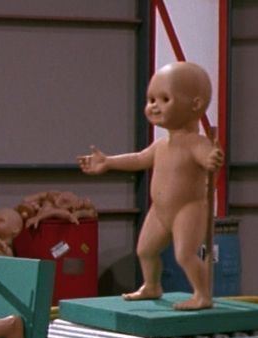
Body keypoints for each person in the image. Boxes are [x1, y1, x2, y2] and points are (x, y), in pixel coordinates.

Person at [77, 61, 223, 310]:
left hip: (188, 209)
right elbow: (138, 159)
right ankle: (152, 285)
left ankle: (202, 294)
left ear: (195, 104)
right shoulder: (160, 145)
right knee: (145, 250)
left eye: (164, 99)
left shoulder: (196, 143)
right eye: (151, 99)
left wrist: (212, 159)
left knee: (185, 254)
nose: (154, 106)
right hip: (160, 210)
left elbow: (209, 158)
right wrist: (108, 162)